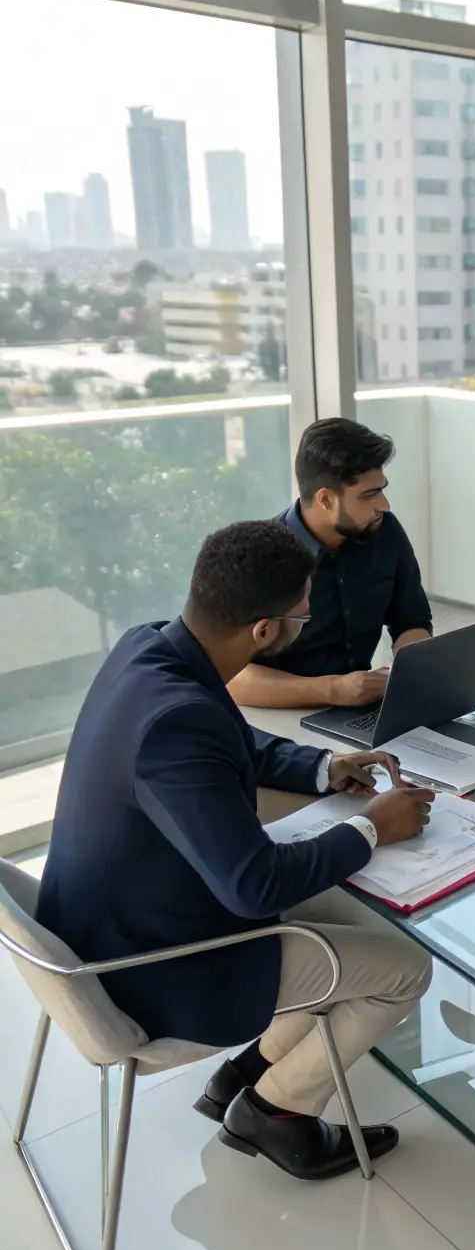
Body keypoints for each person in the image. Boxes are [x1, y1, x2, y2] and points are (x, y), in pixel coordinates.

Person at [36, 520, 435, 1181]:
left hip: (111, 919)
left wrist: (326, 766)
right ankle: (277, 1111)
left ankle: (251, 1066)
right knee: (404, 967)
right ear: (263, 631)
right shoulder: (176, 724)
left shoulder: (151, 650)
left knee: (338, 906)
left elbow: (236, 744)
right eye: (302, 612)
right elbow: (253, 886)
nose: (307, 620)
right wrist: (372, 826)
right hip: (153, 967)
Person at [229, 417, 432, 711]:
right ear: (325, 500)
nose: (384, 505)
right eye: (369, 494)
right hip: (277, 720)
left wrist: (406, 676)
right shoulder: (259, 557)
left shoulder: (384, 531)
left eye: (381, 489)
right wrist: (334, 690)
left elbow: (412, 621)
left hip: (362, 711)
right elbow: (231, 676)